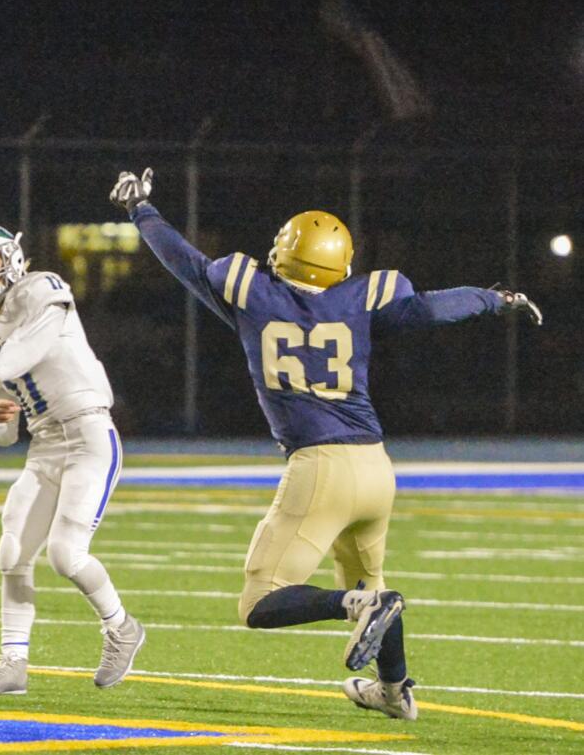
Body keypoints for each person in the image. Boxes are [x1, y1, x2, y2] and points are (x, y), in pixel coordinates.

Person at [110, 167, 544, 721]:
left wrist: (141, 210)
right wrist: (496, 297)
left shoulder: (253, 296)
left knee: (261, 600)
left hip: (319, 468)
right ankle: (393, 690)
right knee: (372, 580)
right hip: (375, 467)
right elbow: (435, 306)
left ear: (284, 255)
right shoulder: (360, 300)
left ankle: (357, 606)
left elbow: (185, 263)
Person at [0, 223, 145, 695]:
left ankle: (121, 627)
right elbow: (5, 434)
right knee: (12, 551)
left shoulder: (42, 288)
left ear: (10, 258)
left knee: (67, 555)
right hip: (45, 444)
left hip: (90, 432)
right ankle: (13, 663)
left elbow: (38, 340)